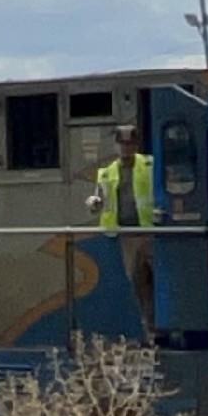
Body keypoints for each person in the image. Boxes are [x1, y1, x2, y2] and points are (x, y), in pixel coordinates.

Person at [85, 124, 157, 337]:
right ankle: (151, 331)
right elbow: (98, 200)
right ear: (115, 146)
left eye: (130, 143)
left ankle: (167, 327)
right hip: (127, 236)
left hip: (152, 233)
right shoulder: (106, 173)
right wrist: (93, 203)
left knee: (162, 281)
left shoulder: (150, 164)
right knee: (138, 284)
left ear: (136, 145)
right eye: (122, 143)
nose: (126, 148)